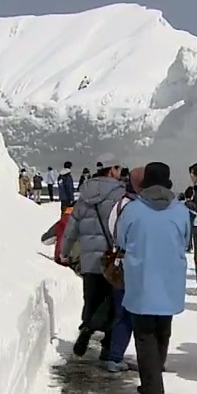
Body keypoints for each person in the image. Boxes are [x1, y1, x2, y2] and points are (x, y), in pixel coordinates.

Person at [116, 161, 191, 394]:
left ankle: (152, 388)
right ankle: (153, 376)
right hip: (170, 281)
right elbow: (186, 240)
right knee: (162, 330)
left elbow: (121, 240)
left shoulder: (133, 210)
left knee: (144, 335)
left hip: (141, 280)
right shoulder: (180, 211)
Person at [60, 154, 127, 359]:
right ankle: (107, 347)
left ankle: (87, 327)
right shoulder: (119, 195)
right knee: (113, 302)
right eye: (118, 167)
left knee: (90, 298)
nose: (120, 171)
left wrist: (65, 251)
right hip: (111, 259)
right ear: (111, 169)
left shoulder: (85, 195)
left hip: (89, 258)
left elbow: (72, 228)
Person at [102, 165, 145, 373]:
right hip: (133, 264)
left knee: (122, 313)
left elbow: (112, 230)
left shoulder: (120, 204)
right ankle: (121, 356)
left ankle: (115, 355)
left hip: (119, 263)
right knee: (134, 313)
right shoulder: (137, 207)